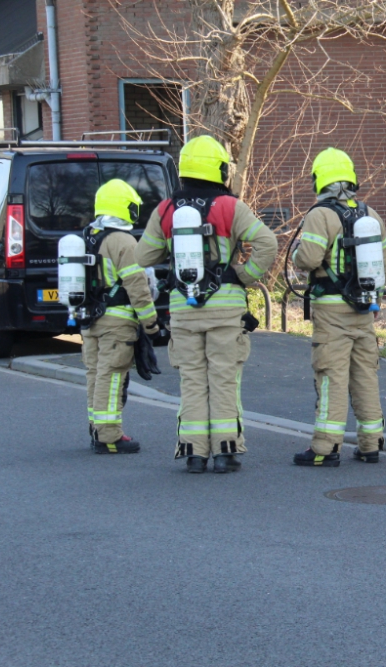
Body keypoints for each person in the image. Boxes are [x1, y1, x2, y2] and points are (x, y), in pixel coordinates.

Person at [135, 135, 277, 474]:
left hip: (183, 310)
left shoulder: (167, 210)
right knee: (224, 378)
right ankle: (226, 452)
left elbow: (143, 255)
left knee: (193, 380)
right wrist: (243, 275)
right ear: (220, 170)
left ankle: (194, 452)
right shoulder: (230, 207)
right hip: (225, 310)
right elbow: (267, 243)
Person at [290, 148, 386, 467]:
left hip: (331, 310)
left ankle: (325, 447)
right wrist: (376, 300)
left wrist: (295, 257)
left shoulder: (321, 215)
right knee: (365, 376)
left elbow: (308, 259)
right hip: (364, 308)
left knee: (331, 375)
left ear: (320, 180)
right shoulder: (371, 215)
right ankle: (371, 444)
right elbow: (383, 264)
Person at [82, 179, 160, 455]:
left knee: (95, 374)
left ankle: (97, 428)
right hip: (116, 322)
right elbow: (137, 286)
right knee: (112, 375)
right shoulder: (123, 241)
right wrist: (152, 324)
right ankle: (110, 436)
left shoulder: (90, 236)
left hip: (91, 320)